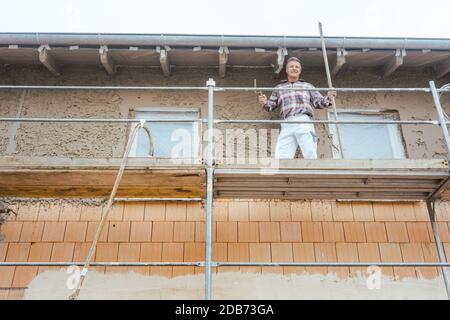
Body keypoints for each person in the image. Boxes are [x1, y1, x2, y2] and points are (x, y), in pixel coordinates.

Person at [258, 57, 336, 159]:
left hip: (303, 120)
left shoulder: (307, 86)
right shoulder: (279, 88)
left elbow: (319, 102)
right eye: (291, 66)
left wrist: (329, 98)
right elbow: (270, 106)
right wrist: (264, 102)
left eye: (297, 67)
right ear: (286, 70)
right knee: (281, 157)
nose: (294, 68)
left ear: (300, 70)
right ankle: (284, 175)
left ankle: (312, 174)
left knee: (310, 153)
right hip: (287, 123)